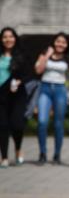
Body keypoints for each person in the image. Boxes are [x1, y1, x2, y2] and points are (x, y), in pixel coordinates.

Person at [34, 32, 69, 165]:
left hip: (60, 90)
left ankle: (57, 154)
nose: (60, 44)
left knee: (58, 124)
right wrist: (47, 55)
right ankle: (42, 153)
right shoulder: (44, 53)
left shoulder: (68, 58)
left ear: (66, 45)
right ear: (54, 42)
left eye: (63, 42)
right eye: (58, 41)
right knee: (42, 122)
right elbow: (38, 71)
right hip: (45, 89)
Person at [0, 27, 30, 168]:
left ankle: (18, 149)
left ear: (15, 38)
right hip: (1, 95)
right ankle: (4, 157)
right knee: (2, 125)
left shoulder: (22, 55)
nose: (8, 39)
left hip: (17, 94)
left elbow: (28, 74)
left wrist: (19, 81)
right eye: (5, 37)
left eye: (10, 36)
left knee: (17, 125)